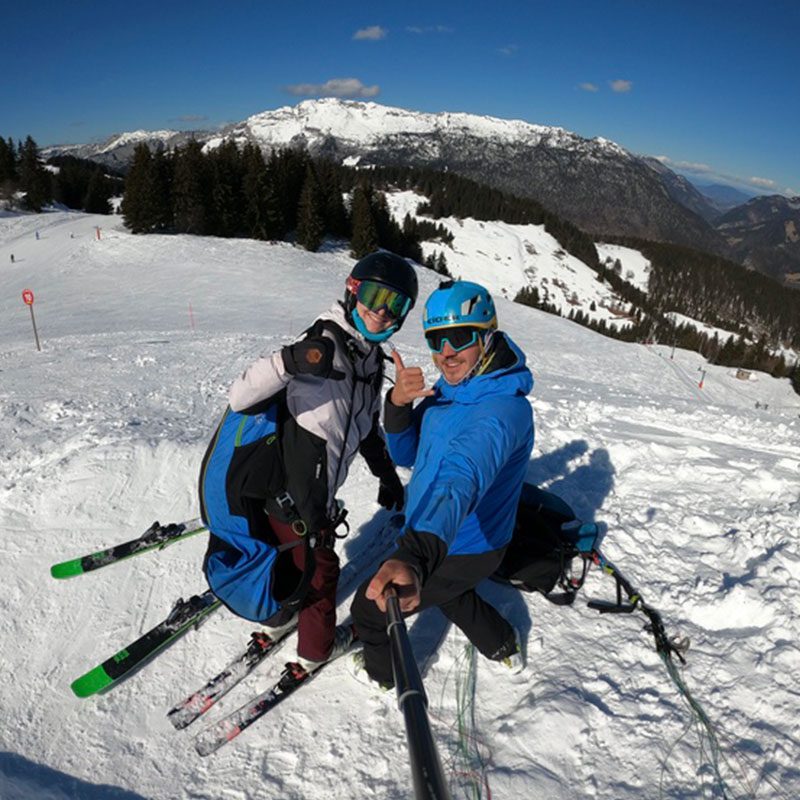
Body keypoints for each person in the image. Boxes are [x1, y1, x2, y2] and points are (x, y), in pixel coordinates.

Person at [199, 251, 418, 678]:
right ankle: (315, 649)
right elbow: (240, 396)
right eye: (374, 296)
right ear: (353, 292)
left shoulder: (369, 358)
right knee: (322, 574)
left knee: (299, 564)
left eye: (396, 304)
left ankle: (280, 613)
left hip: (318, 491)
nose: (381, 311)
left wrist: (386, 473)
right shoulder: (323, 341)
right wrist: (291, 361)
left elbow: (366, 425)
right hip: (291, 494)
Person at [350, 279, 535, 687]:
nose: (446, 354)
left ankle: (383, 675)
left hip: (463, 544)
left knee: (372, 608)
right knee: (449, 594)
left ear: (487, 334)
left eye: (459, 337)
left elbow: (461, 478)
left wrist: (415, 555)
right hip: (438, 534)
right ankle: (502, 643)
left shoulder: (502, 411)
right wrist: (398, 406)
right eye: (436, 340)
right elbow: (407, 454)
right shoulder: (448, 393)